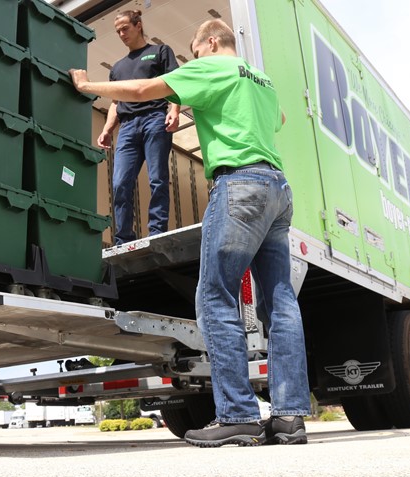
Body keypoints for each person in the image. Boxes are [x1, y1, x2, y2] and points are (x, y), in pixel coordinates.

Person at [70, 19, 311, 447]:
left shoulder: (210, 67)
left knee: (215, 297)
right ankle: (290, 417)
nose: (193, 60)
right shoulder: (261, 79)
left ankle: (238, 415)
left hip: (239, 185)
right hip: (278, 189)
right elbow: (280, 117)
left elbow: (143, 90)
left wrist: (88, 86)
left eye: (195, 53)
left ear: (211, 43)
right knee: (280, 304)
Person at [98, 10, 180, 246]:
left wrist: (174, 110)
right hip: (127, 128)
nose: (121, 34)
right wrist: (107, 129)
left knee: (158, 179)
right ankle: (123, 238)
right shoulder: (117, 68)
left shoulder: (160, 51)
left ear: (138, 25)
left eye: (125, 28)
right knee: (119, 183)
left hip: (155, 119)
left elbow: (176, 84)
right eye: (118, 31)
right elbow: (116, 103)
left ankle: (156, 231)